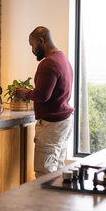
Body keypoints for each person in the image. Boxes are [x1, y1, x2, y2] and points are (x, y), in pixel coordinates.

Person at [13, 26, 74, 178]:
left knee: (44, 173)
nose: (32, 50)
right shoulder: (62, 58)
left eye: (32, 45)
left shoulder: (48, 63)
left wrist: (25, 93)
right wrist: (30, 92)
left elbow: (42, 96)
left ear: (41, 41)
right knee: (57, 170)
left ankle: (45, 202)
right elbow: (51, 93)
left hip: (51, 126)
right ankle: (55, 202)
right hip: (63, 122)